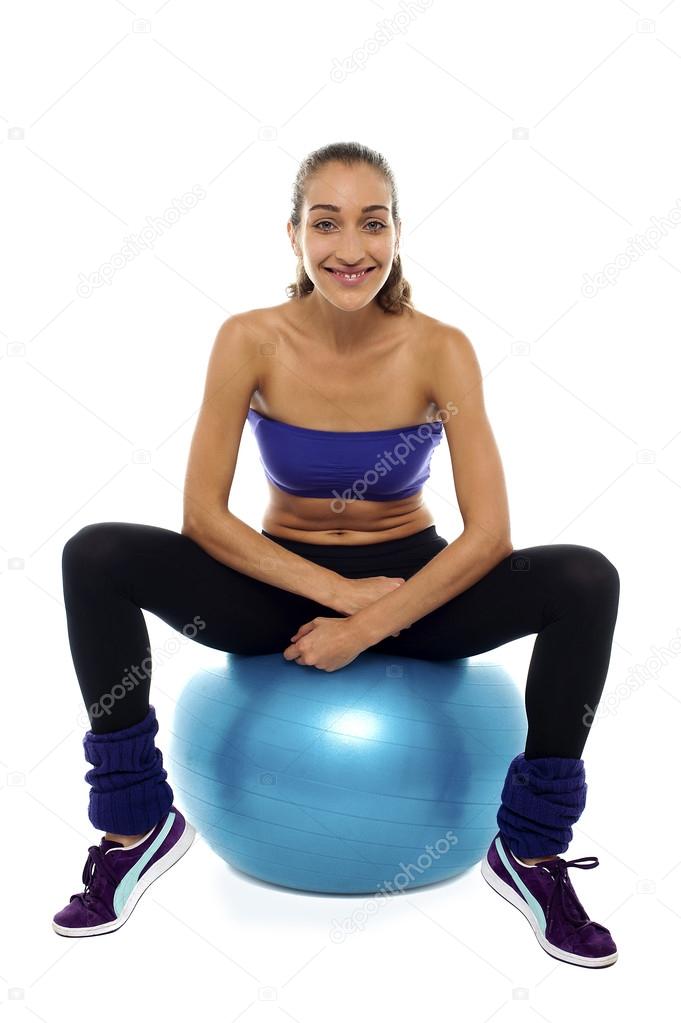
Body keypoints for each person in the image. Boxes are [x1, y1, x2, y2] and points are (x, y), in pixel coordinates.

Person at [53, 142, 620, 968]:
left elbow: (489, 533)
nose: (349, 248)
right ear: (292, 235)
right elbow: (204, 519)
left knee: (584, 578)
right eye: (326, 223)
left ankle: (530, 851)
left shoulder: (439, 348)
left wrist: (379, 616)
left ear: (395, 234)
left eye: (371, 223)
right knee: (95, 555)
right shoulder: (247, 339)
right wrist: (340, 599)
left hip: (417, 586)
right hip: (275, 588)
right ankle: (134, 823)